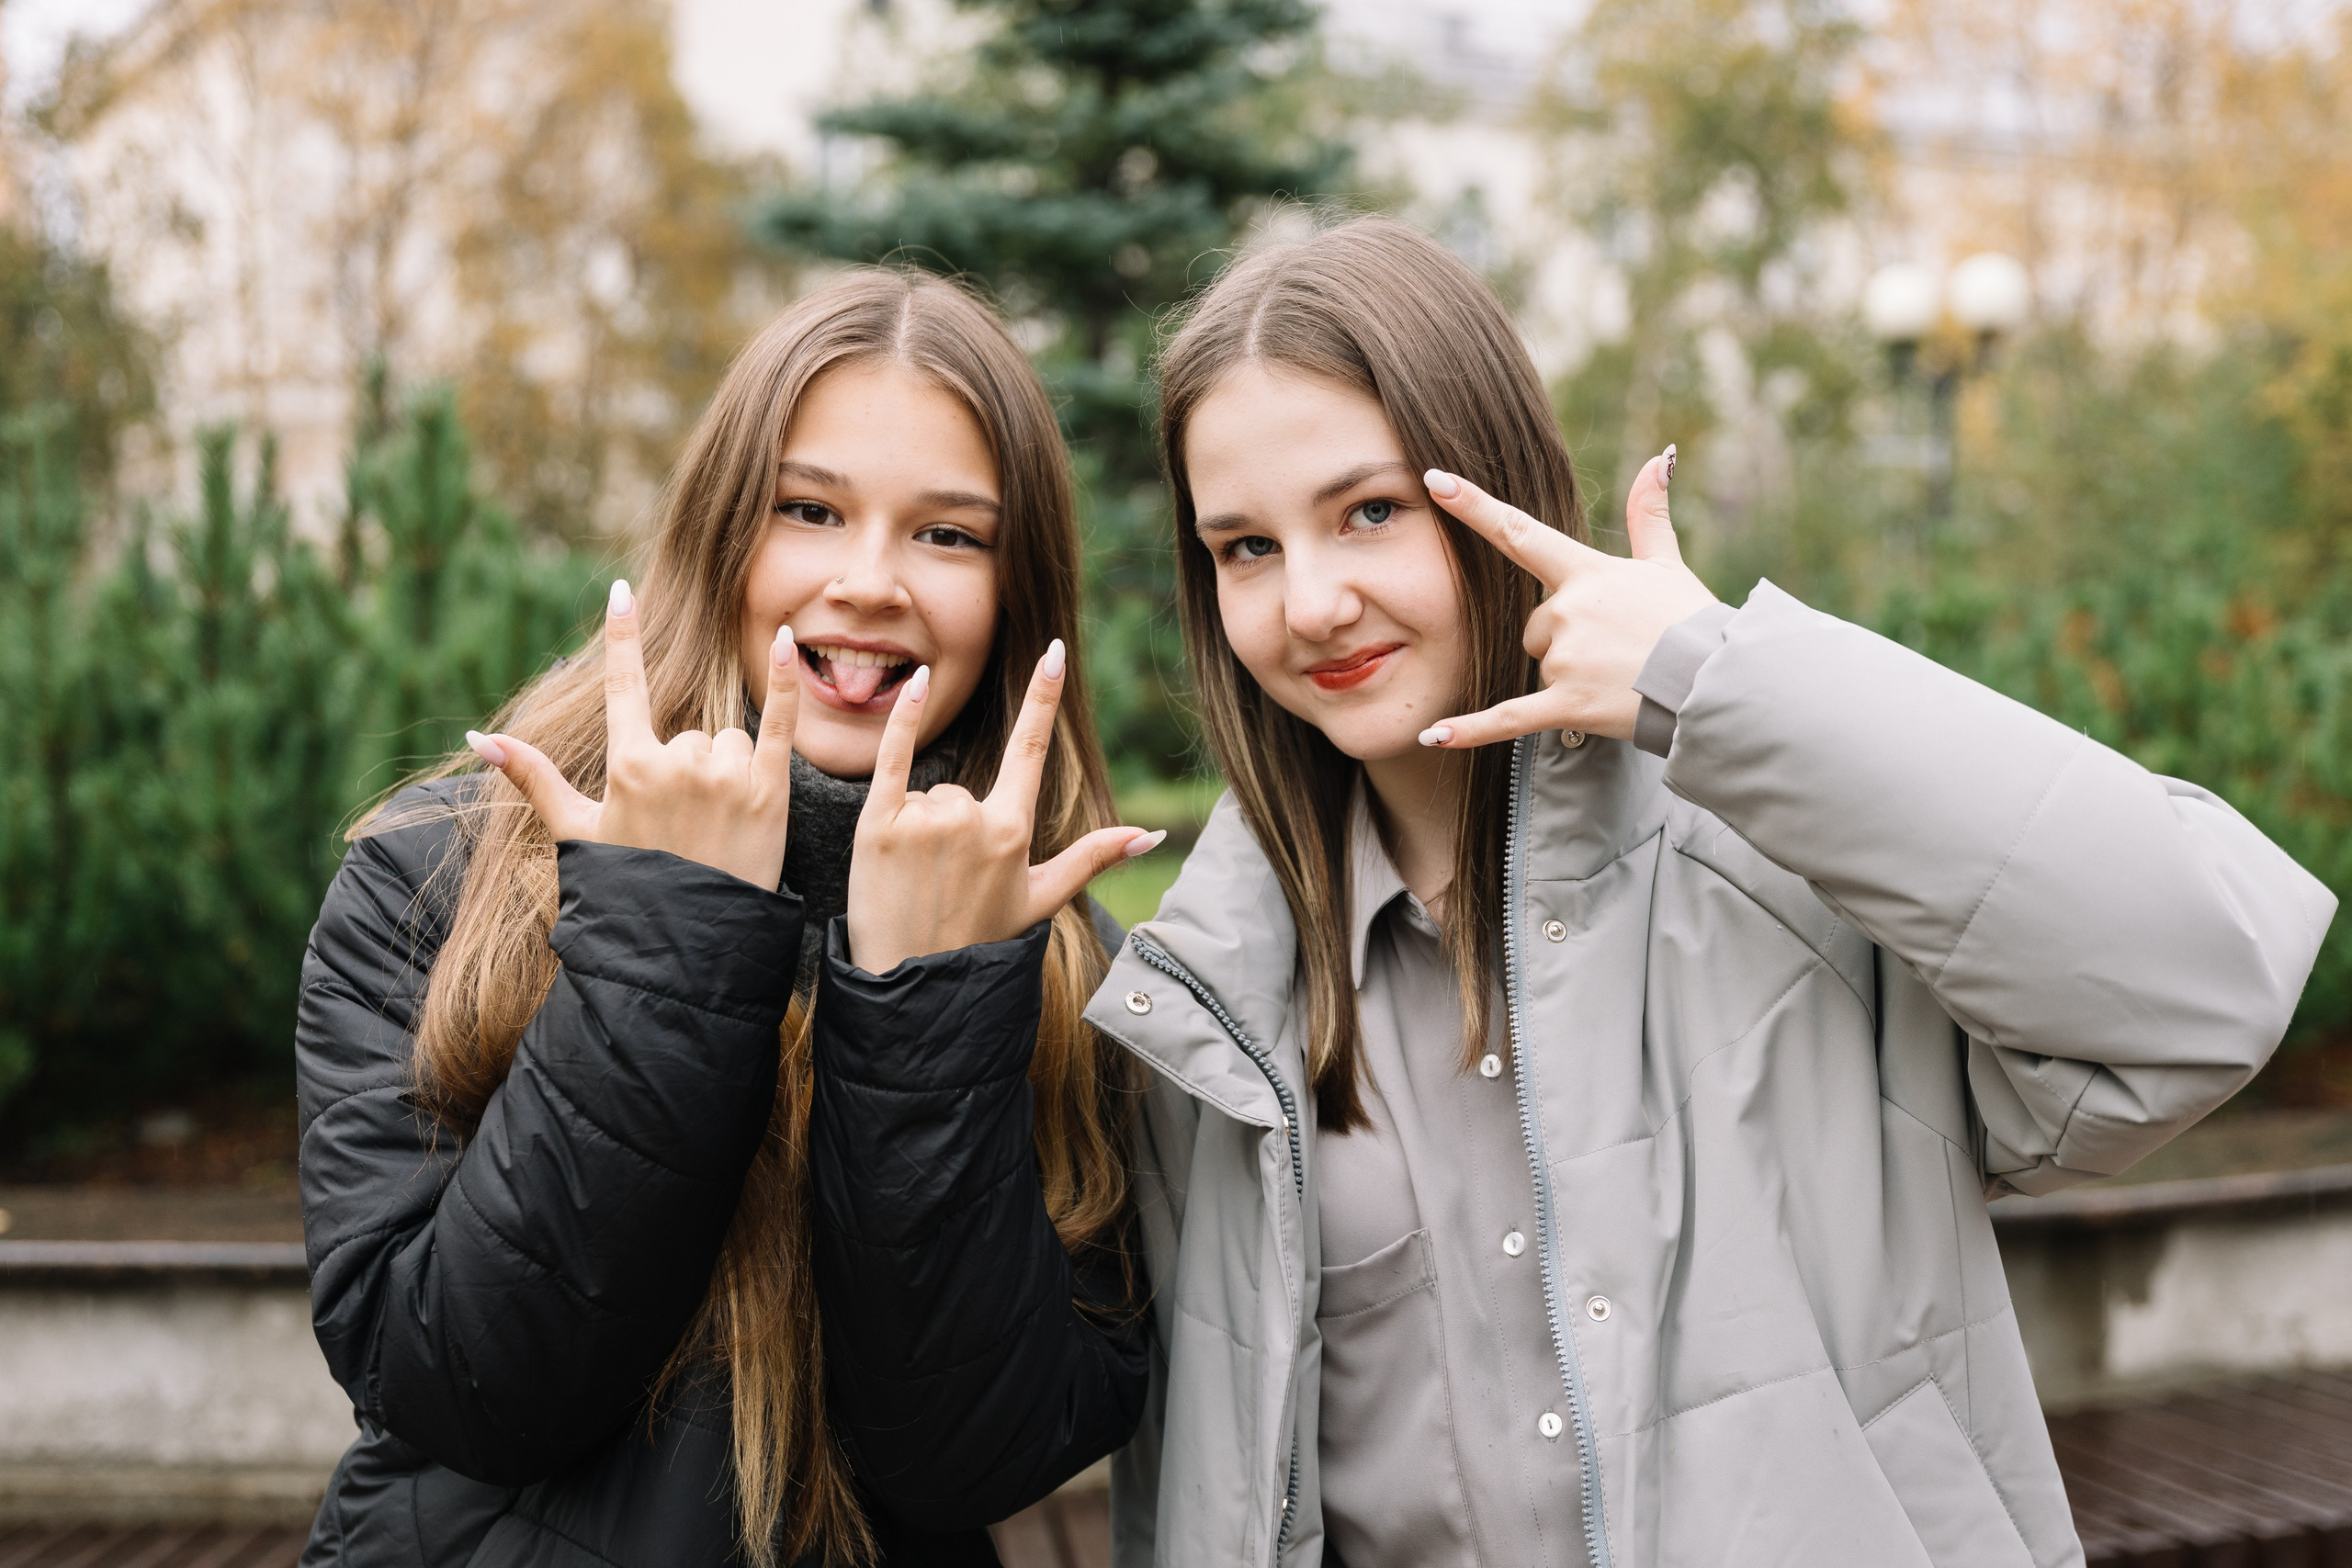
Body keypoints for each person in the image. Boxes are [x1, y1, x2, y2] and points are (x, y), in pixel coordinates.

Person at [804, 218, 2336, 1568]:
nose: (1313, 600)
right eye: (1244, 547)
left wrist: (1717, 682)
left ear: (1500, 488)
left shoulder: (1779, 862)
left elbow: (2209, 985)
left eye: (1372, 511)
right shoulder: (1202, 1013)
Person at [294, 268, 1155, 1568]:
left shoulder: (1056, 965)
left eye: (950, 535)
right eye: (809, 510)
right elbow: (458, 1381)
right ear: (717, 532)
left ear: (1016, 597)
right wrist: (673, 933)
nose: (869, 582)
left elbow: (977, 1456)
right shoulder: (440, 877)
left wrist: (935, 1000)